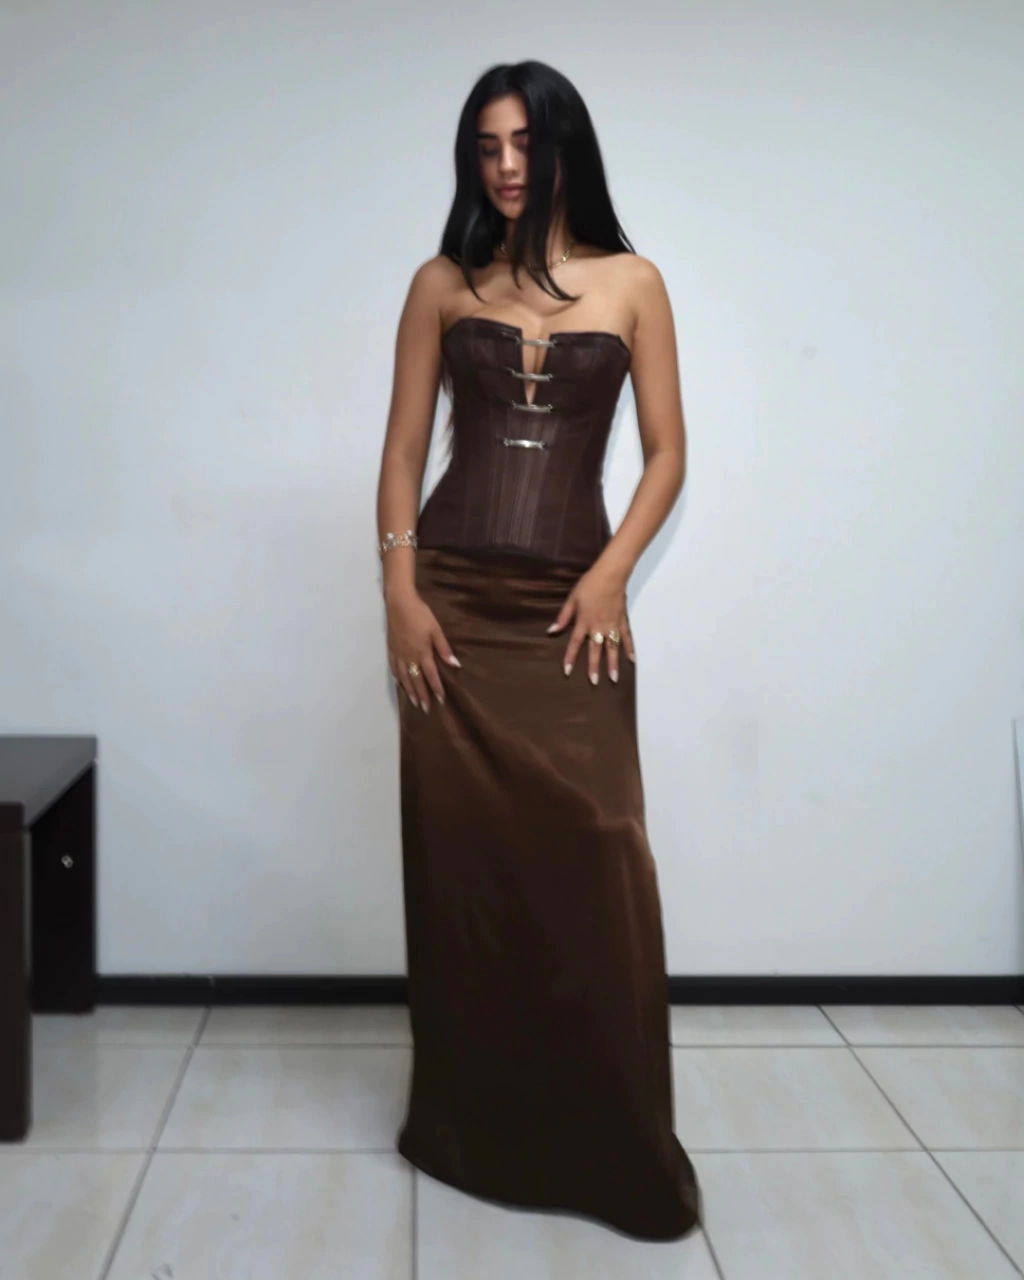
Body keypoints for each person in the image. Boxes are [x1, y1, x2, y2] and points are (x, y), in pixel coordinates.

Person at [375, 59, 701, 1241]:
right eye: (485, 146)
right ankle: (468, 1126)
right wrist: (399, 592)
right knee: (465, 868)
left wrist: (610, 573)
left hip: (571, 611)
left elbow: (667, 453)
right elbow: (402, 450)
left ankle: (610, 1140)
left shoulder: (633, 283)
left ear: (566, 148)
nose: (505, 166)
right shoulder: (440, 283)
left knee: (601, 848)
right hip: (452, 609)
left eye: (523, 143)